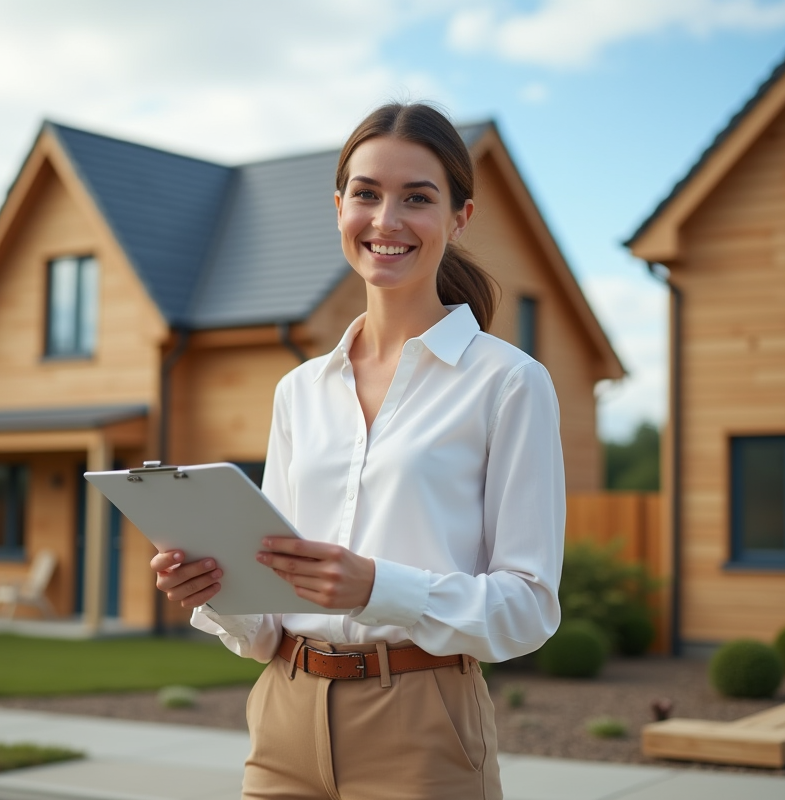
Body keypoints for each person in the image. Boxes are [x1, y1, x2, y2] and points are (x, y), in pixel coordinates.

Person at [150, 102, 565, 800]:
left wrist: (378, 588)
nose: (386, 219)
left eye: (417, 198)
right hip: (284, 714)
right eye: (367, 194)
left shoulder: (510, 383)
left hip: (423, 722)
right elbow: (265, 618)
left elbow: (528, 609)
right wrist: (217, 592)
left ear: (460, 218)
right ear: (339, 206)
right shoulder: (299, 390)